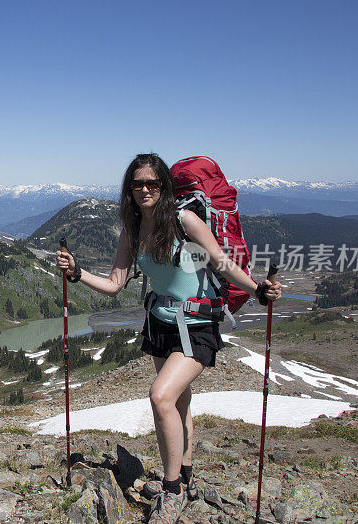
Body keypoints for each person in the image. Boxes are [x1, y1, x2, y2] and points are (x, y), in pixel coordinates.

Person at [56, 153, 281, 523]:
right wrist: (78, 273)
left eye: (153, 183)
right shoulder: (132, 229)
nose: (145, 190)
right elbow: (114, 284)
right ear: (129, 189)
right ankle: (187, 478)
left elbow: (222, 262)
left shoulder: (184, 219)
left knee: (160, 395)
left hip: (197, 324)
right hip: (160, 321)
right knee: (178, 401)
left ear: (164, 186)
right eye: (138, 184)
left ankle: (172, 489)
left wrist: (257, 289)